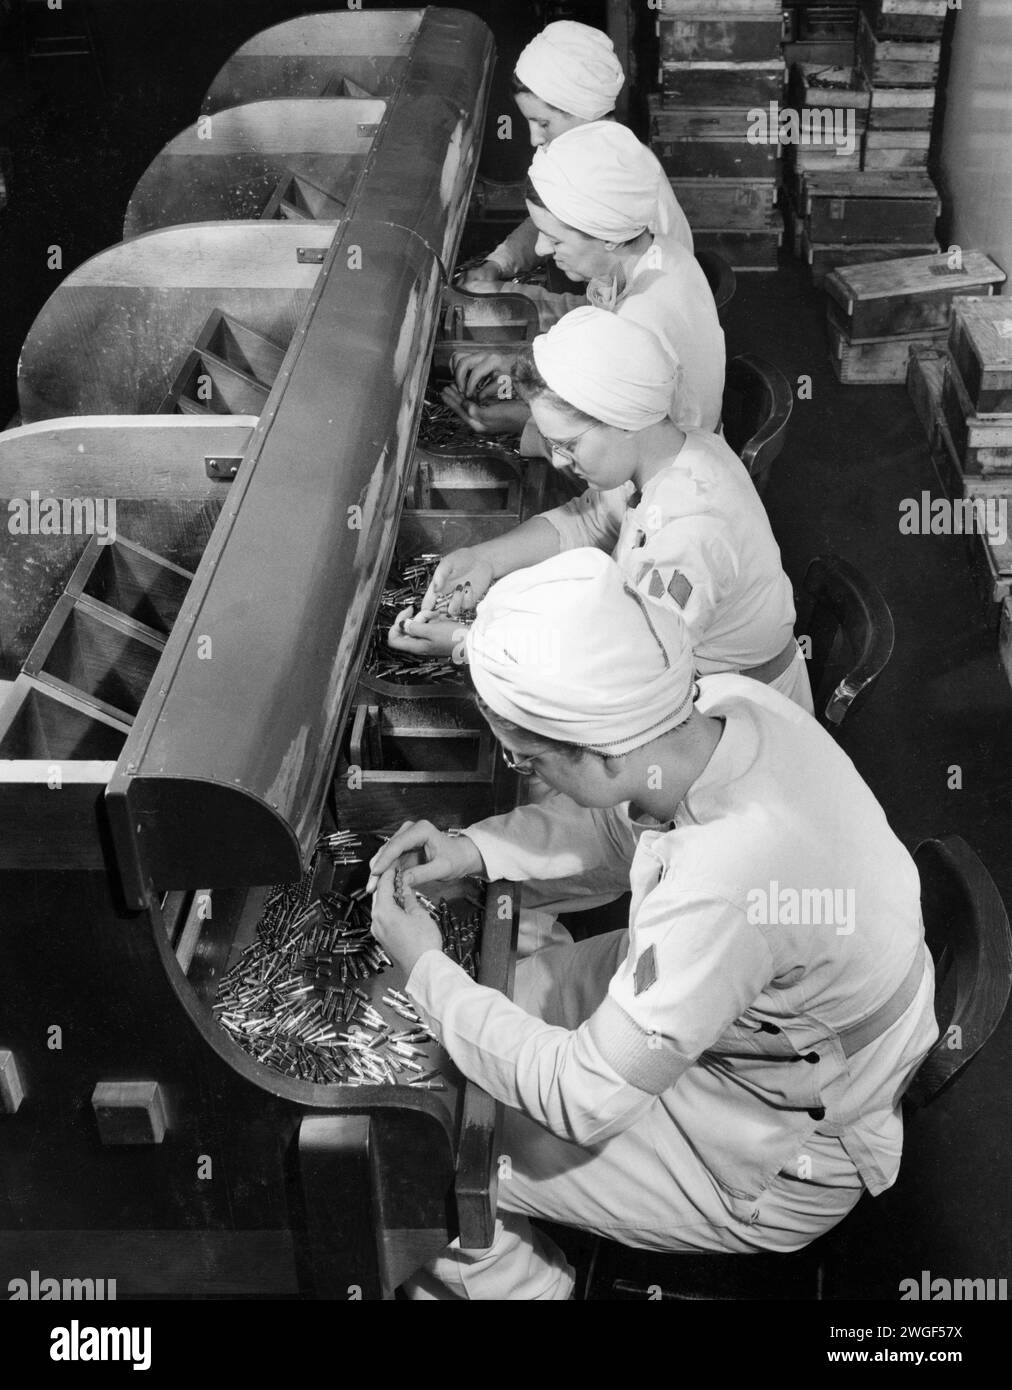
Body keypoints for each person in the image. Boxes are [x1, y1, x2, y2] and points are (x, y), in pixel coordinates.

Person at [367, 548, 938, 1300]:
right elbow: (621, 829)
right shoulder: (720, 708)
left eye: (530, 759)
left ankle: (536, 1288)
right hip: (734, 1027)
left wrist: (429, 974)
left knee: (421, 1164)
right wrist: (476, 849)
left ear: (600, 753)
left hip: (772, 1148)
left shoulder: (722, 885)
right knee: (473, 1019)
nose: (526, 769)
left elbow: (585, 1099)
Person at [394, 307, 811, 712]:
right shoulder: (669, 451)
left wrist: (471, 645)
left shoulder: (688, 534)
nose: (556, 460)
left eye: (568, 445)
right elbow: (590, 521)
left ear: (623, 422)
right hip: (670, 664)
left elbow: (628, 670)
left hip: (728, 707)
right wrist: (483, 558)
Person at [444, 121, 723, 444]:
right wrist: (524, 365)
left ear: (605, 237)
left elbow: (618, 449)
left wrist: (524, 421)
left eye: (555, 240)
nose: (540, 250)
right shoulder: (663, 253)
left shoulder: (638, 322)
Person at [465, 20, 692, 291]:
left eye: (543, 123)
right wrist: (500, 262)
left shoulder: (619, 180)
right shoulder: (590, 161)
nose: (534, 138)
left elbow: (611, 313)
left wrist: (508, 294)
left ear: (582, 110)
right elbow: (554, 222)